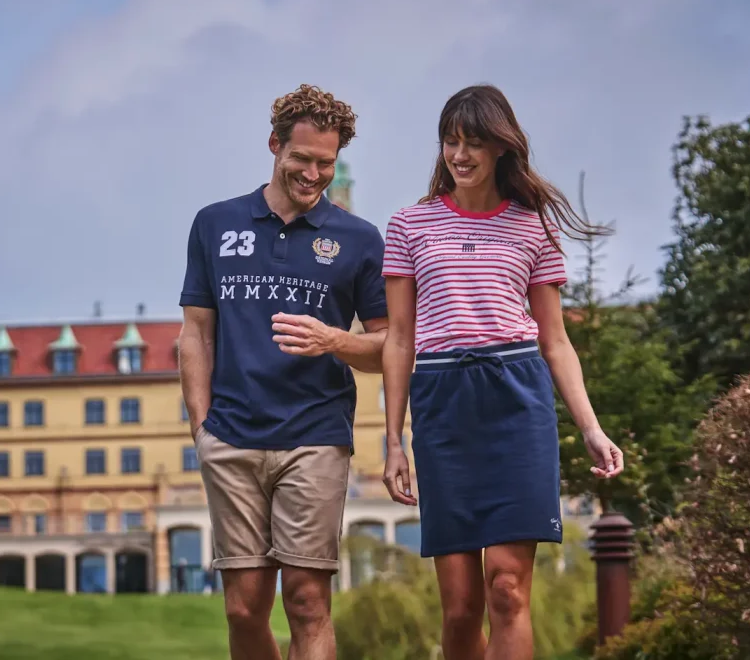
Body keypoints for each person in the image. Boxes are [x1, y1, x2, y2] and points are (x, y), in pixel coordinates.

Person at [380, 84, 624, 660]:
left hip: (517, 402)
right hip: (443, 405)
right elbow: (398, 338)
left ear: (501, 148)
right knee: (461, 607)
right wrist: (393, 440)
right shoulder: (409, 226)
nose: (459, 155)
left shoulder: (533, 225)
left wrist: (591, 427)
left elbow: (555, 340)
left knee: (508, 592)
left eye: (474, 143)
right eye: (450, 141)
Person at [178, 84, 389, 660]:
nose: (314, 174)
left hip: (315, 436)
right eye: (302, 159)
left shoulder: (360, 239)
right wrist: (203, 430)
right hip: (233, 437)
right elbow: (196, 333)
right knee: (244, 610)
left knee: (306, 603)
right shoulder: (215, 224)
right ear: (274, 145)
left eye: (327, 163)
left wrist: (334, 339)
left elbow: (390, 345)